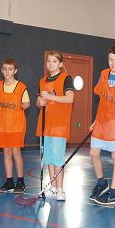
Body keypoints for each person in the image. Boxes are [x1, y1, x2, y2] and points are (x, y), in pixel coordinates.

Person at [89, 44, 115, 205]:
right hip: (101, 121)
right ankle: (101, 183)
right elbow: (102, 99)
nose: (114, 63)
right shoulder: (104, 74)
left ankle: (113, 192)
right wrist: (96, 120)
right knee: (93, 153)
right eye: (111, 59)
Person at [36, 51, 74, 201]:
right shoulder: (42, 81)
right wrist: (41, 102)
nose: (51, 64)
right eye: (49, 61)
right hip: (46, 123)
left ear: (60, 64)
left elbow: (70, 98)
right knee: (49, 158)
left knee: (58, 159)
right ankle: (52, 186)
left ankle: (60, 189)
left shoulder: (66, 78)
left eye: (54, 61)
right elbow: (39, 102)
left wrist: (50, 97)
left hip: (59, 124)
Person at [0, 58, 30, 192]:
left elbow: (27, 103)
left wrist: (21, 106)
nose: (7, 72)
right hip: (3, 125)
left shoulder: (21, 87)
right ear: (1, 70)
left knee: (16, 152)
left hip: (16, 125)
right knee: (6, 152)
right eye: (5, 69)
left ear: (15, 71)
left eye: (10, 69)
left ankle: (20, 181)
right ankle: (9, 181)